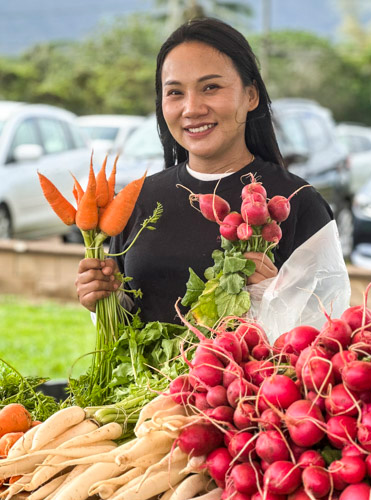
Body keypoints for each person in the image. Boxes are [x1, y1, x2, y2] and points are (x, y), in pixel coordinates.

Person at [75, 17, 333, 324]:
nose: (192, 108)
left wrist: (272, 301)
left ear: (251, 96)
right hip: (143, 374)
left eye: (210, 87)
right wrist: (107, 301)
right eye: (175, 93)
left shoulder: (297, 202)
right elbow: (129, 328)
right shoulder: (138, 199)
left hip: (252, 374)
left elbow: (324, 333)